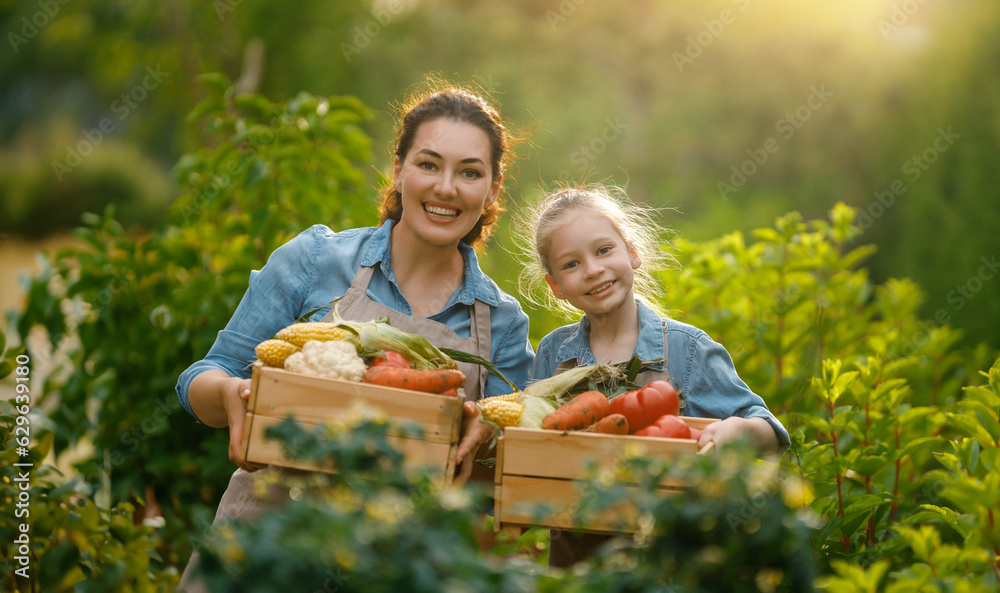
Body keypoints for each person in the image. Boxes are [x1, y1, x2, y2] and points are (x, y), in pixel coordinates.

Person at [175, 83, 534, 590]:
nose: (446, 188)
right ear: (398, 169)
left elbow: (502, 477)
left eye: (469, 172)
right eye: (428, 164)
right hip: (261, 551)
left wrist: (487, 437)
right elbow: (201, 377)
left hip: (396, 568)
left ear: (493, 190)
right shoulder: (315, 261)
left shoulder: (501, 321)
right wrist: (232, 395)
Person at [518, 184, 789, 568]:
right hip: (576, 565)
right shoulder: (553, 353)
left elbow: (769, 432)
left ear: (633, 252)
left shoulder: (687, 349)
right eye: (571, 264)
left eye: (603, 250)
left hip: (667, 561)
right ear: (556, 286)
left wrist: (736, 431)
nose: (593, 270)